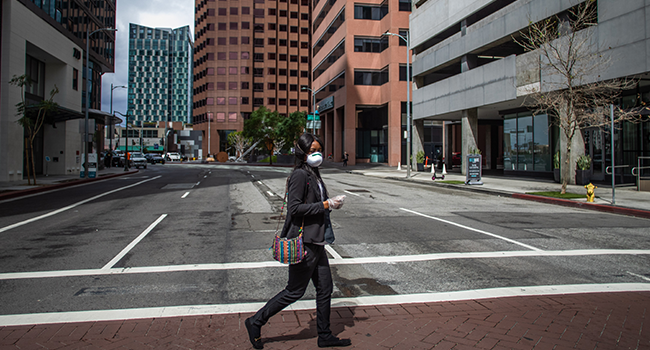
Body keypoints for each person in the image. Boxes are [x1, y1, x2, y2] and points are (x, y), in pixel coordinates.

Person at [245, 133, 350, 349]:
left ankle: (324, 335)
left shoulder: (313, 173)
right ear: (302, 153)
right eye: (312, 150)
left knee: (325, 288)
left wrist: (330, 203)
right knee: (294, 291)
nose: (317, 154)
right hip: (305, 242)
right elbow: (294, 209)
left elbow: (316, 203)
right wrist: (326, 205)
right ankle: (255, 321)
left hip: (316, 241)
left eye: (319, 149)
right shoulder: (300, 175)